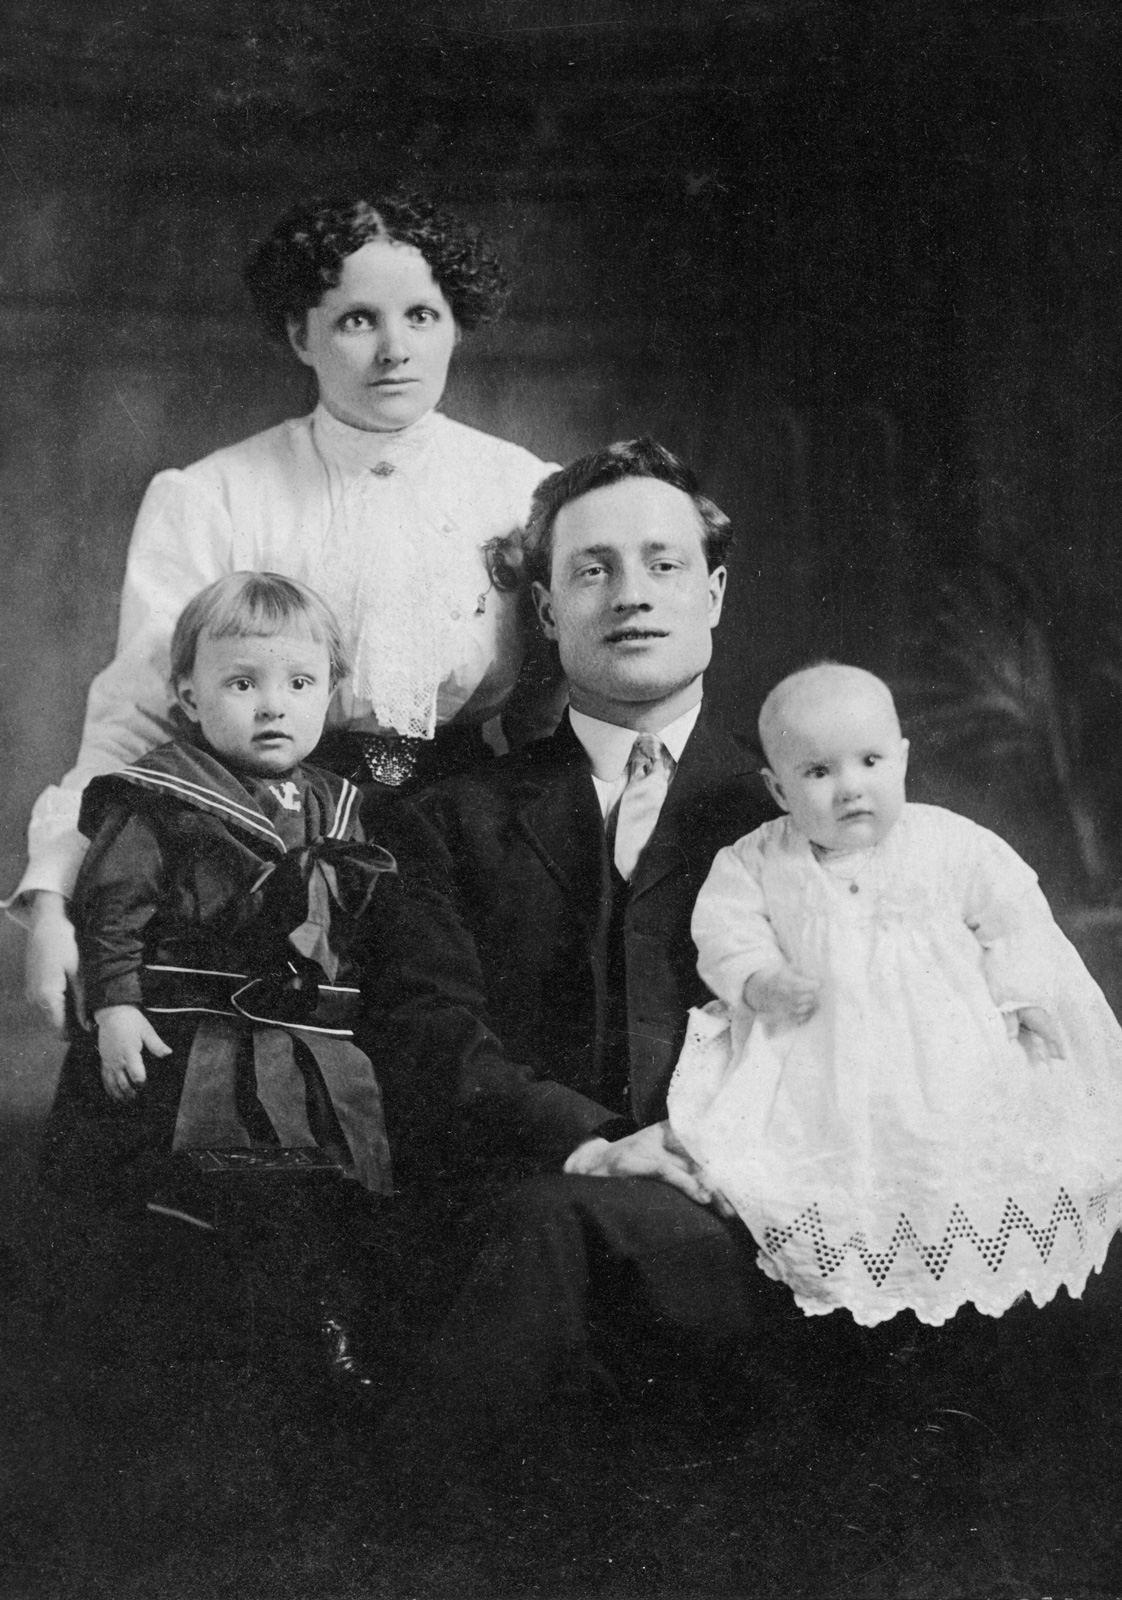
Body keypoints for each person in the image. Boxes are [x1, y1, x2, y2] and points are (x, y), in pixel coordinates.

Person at [16, 190, 558, 1034]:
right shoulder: (216, 495)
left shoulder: (525, 490)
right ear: (302, 335)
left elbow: (562, 705)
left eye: (421, 315)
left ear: (457, 326)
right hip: (253, 834)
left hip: (463, 828)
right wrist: (53, 897)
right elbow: (133, 723)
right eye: (357, 320)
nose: (394, 349)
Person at [373, 438, 780, 1497]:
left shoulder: (795, 813)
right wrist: (593, 1142)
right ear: (549, 614)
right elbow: (430, 1033)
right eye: (593, 570)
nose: (630, 594)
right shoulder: (444, 822)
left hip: (750, 1220)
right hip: (525, 1220)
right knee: (543, 1231)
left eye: (663, 564)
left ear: (713, 594)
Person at [668, 662, 1122, 1328]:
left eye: (870, 762)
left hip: (949, 1053)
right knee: (824, 1171)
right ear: (779, 789)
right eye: (818, 773)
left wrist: (1023, 994)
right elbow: (725, 930)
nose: (851, 787)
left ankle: (963, 1270)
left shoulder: (949, 841)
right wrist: (759, 977)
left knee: (957, 1155)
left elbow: (1012, 915)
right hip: (820, 1057)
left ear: (902, 760)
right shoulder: (756, 859)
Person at [40, 572, 408, 1385]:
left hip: (298, 1044)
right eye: (243, 684)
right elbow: (112, 913)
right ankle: (178, 1351)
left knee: (316, 1192)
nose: (273, 706)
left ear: (330, 694)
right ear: (189, 695)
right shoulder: (163, 797)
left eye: (299, 684)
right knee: (183, 1198)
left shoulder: (335, 805)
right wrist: (116, 1009)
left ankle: (308, 1335)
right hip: (187, 1038)